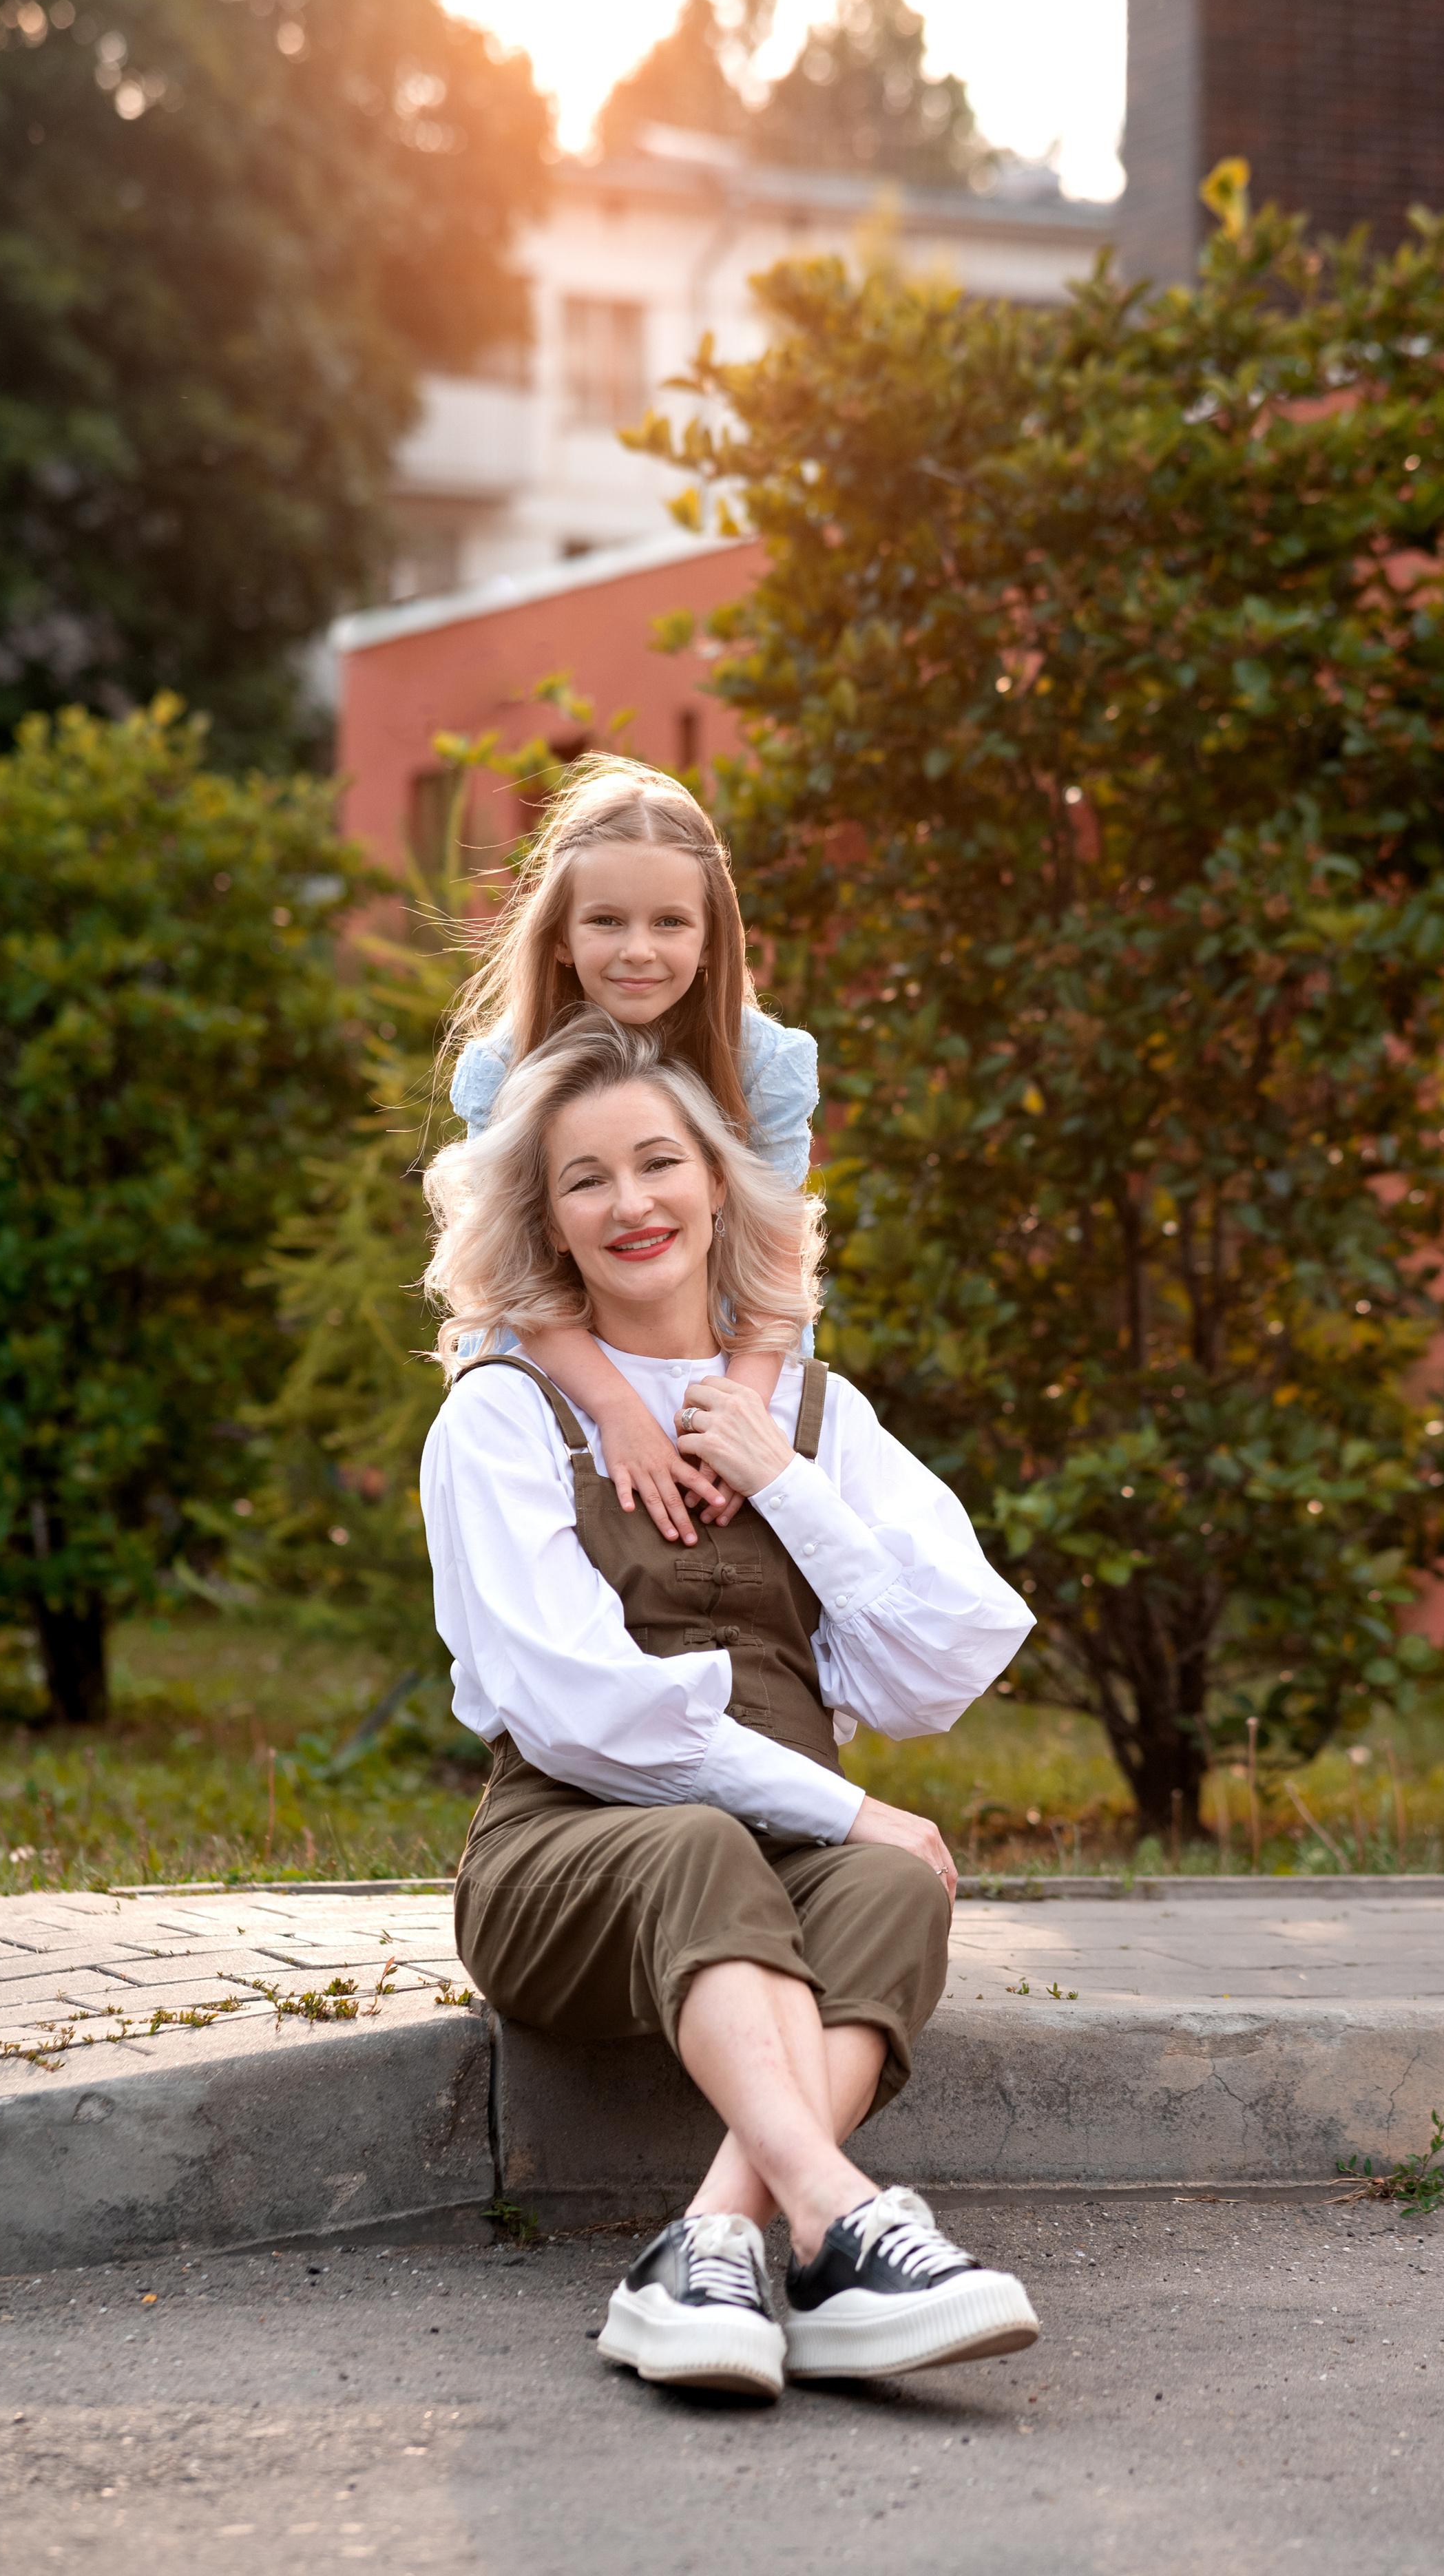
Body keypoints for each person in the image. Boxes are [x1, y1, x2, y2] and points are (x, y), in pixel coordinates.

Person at [419, 1012, 1040, 2400]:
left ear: (716, 1184)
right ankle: (835, 2222)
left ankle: (708, 2248)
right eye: (587, 1180)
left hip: (778, 1864)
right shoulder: (503, 1415)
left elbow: (948, 1657)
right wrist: (845, 1801)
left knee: (893, 1891)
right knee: (707, 1837)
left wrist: (783, 1479)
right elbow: (580, 1714)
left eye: (658, 1164)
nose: (631, 1203)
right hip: (564, 1864)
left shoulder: (816, 1411)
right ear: (549, 1223)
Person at [443, 752, 817, 1544]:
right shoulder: (503, 1070)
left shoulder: (766, 1066)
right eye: (607, 921)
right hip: (561, 1362)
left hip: (732, 1365)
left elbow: (774, 1269)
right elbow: (506, 1269)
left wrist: (737, 1414)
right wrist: (615, 1407)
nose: (637, 951)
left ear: (714, 939)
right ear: (561, 940)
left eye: (669, 922)